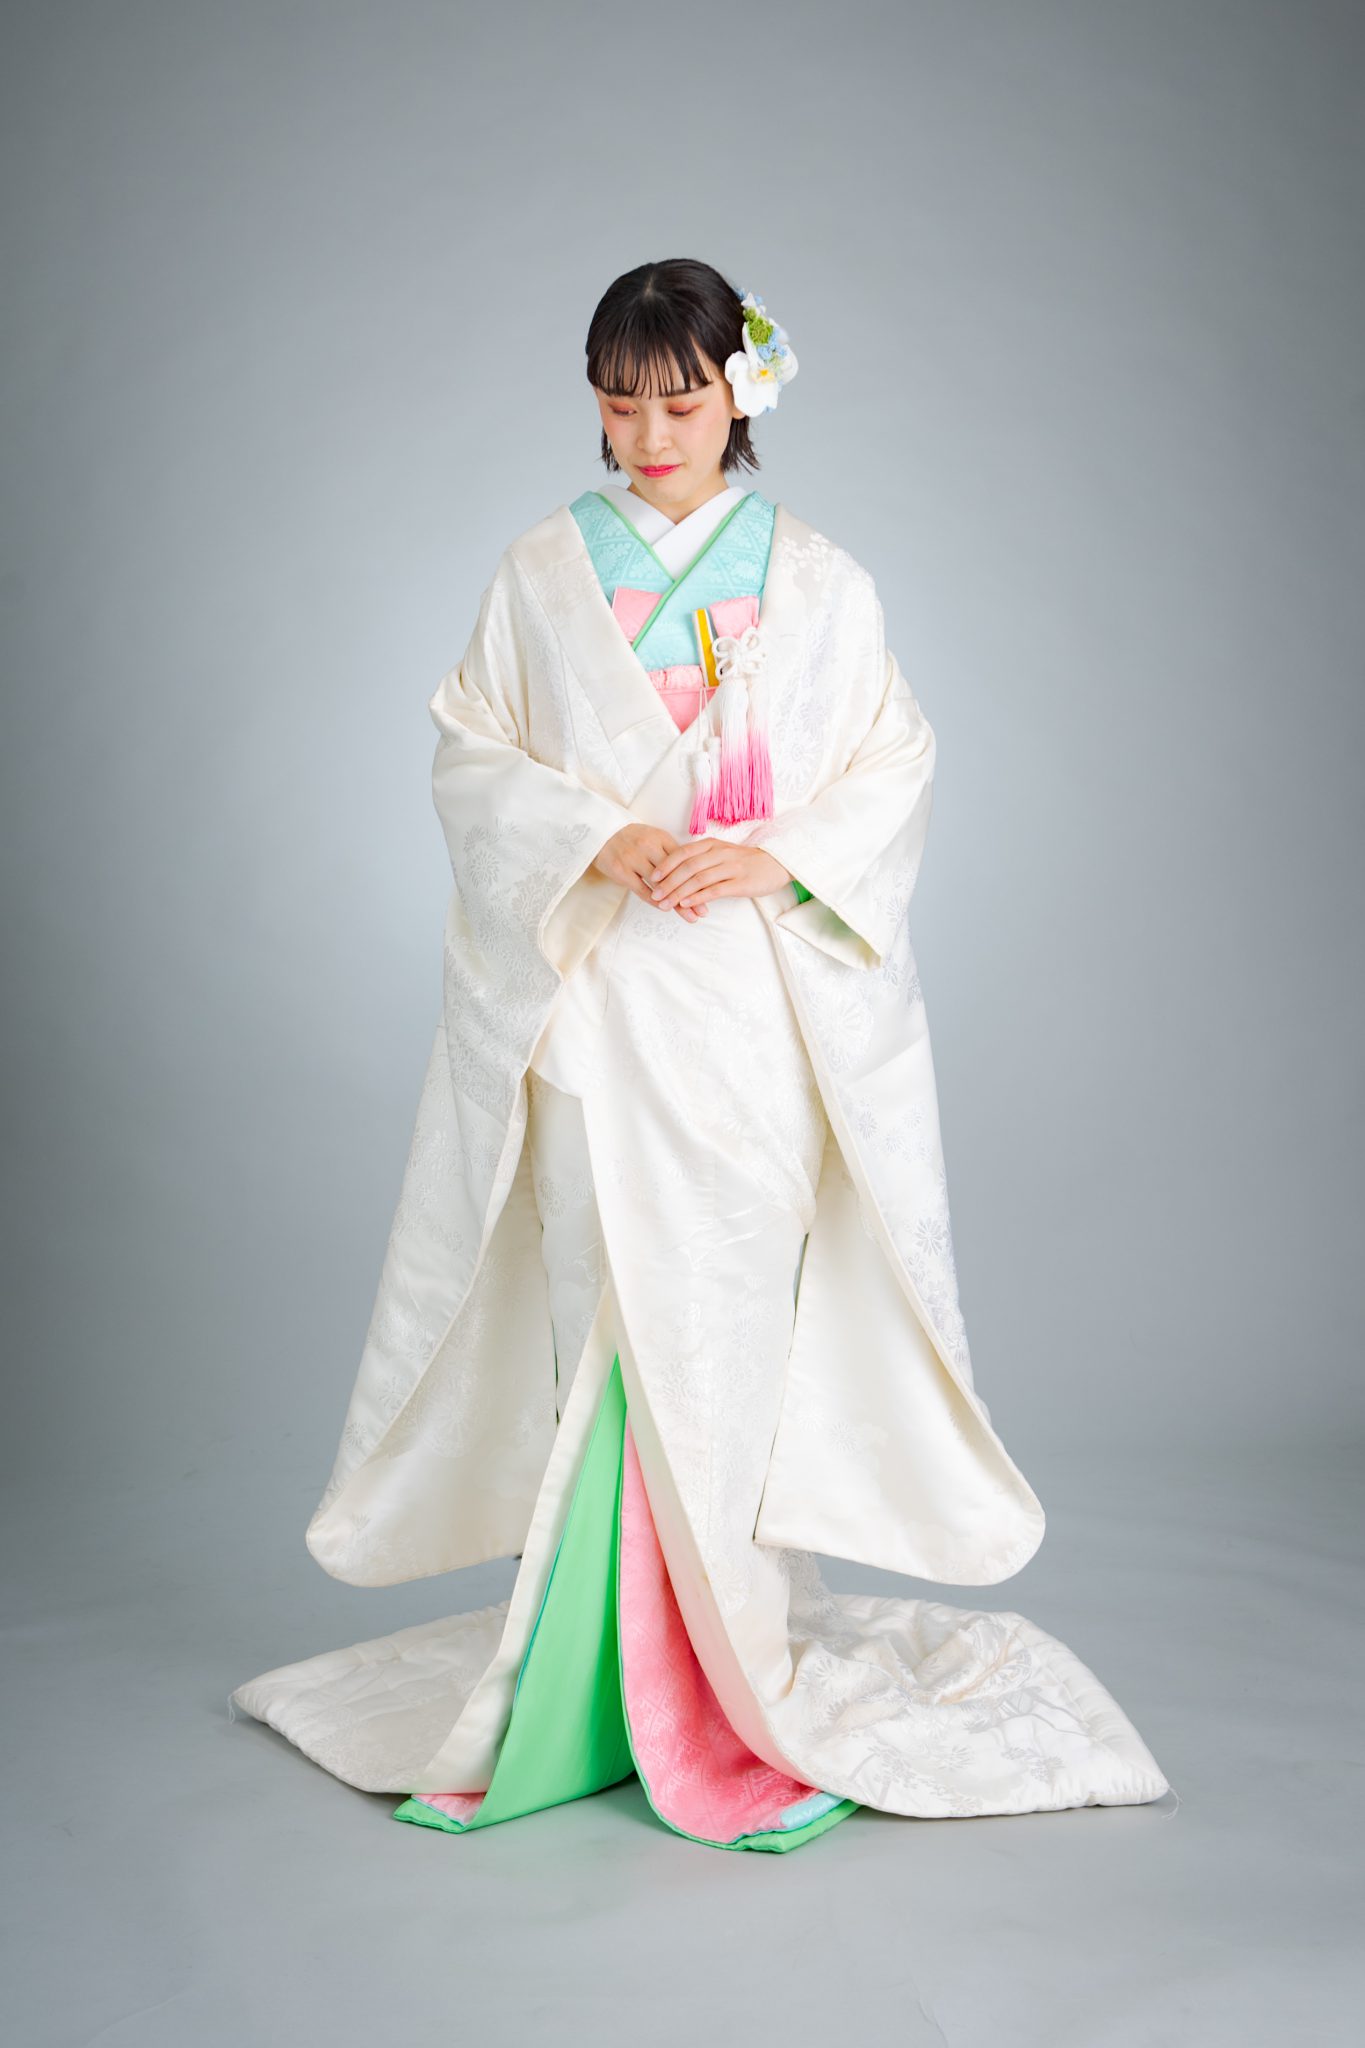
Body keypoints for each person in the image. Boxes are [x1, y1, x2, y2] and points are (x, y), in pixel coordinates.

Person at [230, 258, 1170, 1853]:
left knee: (729, 1321)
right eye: (619, 403)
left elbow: (891, 762)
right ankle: (586, 1683)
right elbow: (472, 748)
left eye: (680, 400)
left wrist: (771, 855)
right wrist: (598, 840)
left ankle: (731, 1673)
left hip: (742, 1002)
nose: (649, 434)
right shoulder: (540, 574)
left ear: (743, 392)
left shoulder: (820, 584)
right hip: (597, 994)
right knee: (602, 1315)